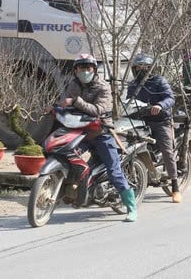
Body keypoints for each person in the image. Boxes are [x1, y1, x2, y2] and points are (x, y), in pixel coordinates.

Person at [60, 53, 138, 222]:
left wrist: (75, 102)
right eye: (81, 68)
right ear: (75, 70)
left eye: (88, 68)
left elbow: (97, 110)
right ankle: (73, 189)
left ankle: (131, 207)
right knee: (66, 154)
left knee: (114, 171)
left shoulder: (103, 87)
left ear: (94, 70)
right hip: (81, 132)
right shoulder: (73, 84)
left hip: (102, 132)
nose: (84, 71)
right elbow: (67, 104)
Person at [126, 53, 182, 204]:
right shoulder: (132, 85)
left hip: (160, 121)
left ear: (151, 68)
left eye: (146, 67)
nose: (142, 70)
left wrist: (160, 105)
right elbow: (128, 102)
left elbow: (170, 98)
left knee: (167, 150)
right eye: (139, 67)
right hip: (140, 121)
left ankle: (175, 186)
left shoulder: (159, 81)